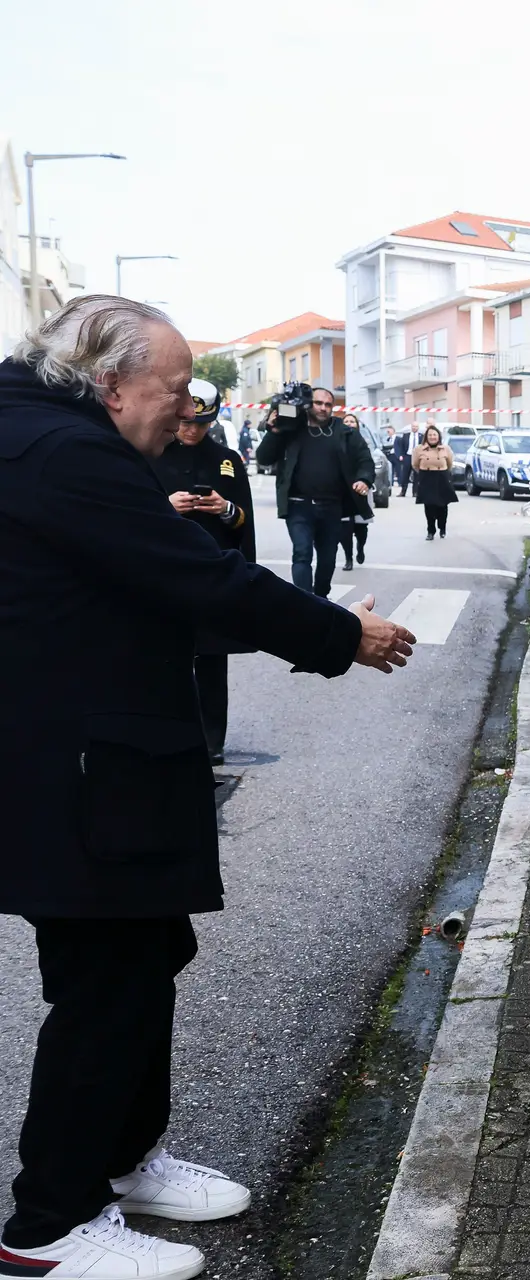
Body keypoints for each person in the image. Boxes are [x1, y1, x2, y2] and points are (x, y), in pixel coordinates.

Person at [0, 296, 415, 1279]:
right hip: (86, 768)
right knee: (107, 984)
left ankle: (124, 1159)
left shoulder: (44, 434)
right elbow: (200, 580)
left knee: (146, 953)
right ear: (109, 381)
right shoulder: (63, 450)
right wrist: (340, 634)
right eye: (175, 390)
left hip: (100, 757)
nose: (184, 410)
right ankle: (47, 1224)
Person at [151, 378, 256, 764]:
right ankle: (172, 732)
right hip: (164, 571)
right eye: (187, 422)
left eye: (201, 423)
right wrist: (166, 505)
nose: (192, 430)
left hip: (213, 569)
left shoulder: (227, 460)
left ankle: (212, 741)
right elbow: (128, 513)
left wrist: (225, 509)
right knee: (165, 657)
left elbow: (244, 521)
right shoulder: (152, 454)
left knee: (212, 660)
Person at [253, 384, 374, 596]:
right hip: (298, 505)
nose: (323, 408)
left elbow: (365, 459)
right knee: (302, 553)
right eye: (318, 403)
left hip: (332, 507)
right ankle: (305, 602)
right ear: (309, 404)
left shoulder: (344, 432)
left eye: (328, 404)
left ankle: (321, 597)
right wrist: (273, 431)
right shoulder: (291, 428)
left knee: (327, 559)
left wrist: (363, 479)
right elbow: (264, 458)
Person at [338, 412, 374, 566]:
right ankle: (348, 558)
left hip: (360, 486)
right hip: (342, 489)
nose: (349, 423)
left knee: (361, 526)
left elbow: (367, 462)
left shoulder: (363, 442)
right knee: (344, 527)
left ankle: (360, 547)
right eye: (346, 421)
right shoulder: (336, 441)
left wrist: (363, 479)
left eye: (352, 421)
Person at [411, 423, 457, 540]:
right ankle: (430, 530)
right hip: (427, 478)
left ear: (439, 436)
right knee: (429, 507)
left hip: (441, 477)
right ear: (426, 437)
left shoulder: (446, 449)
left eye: (434, 435)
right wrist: (424, 472)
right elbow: (415, 465)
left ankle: (442, 528)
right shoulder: (419, 449)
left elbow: (450, 464)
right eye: (430, 435)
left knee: (442, 506)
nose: (432, 437)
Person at [388, 422, 413, 498]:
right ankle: (391, 483)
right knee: (391, 470)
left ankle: (399, 482)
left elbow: (401, 447)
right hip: (390, 456)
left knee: (399, 470)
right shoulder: (388, 439)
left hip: (397, 456)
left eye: (389, 431)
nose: (388, 433)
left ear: (393, 431)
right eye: (387, 432)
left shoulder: (398, 438)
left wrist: (401, 455)